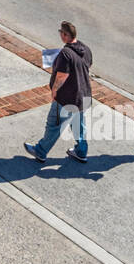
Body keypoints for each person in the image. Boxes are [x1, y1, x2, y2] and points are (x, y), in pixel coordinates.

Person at [25, 21, 93, 165]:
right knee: (79, 125)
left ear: (64, 35)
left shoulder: (65, 54)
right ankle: (81, 152)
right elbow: (87, 66)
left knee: (54, 125)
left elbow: (62, 76)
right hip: (83, 95)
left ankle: (40, 151)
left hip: (67, 97)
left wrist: (54, 90)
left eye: (60, 32)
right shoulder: (86, 49)